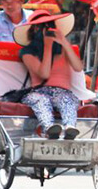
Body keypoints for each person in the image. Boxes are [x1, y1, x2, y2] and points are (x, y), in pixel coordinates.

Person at [13, 11, 84, 139]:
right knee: (41, 101)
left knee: (65, 100)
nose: (45, 30)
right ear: (34, 30)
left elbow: (78, 67)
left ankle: (70, 128)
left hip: (63, 92)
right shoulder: (27, 52)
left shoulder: (64, 49)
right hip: (39, 92)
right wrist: (47, 46)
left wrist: (63, 42)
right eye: (41, 27)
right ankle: (50, 128)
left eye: (49, 25)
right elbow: (44, 74)